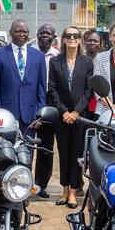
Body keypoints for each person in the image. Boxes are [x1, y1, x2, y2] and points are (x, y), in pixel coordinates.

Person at [0, 20, 48, 196]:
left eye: (24, 31)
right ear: (10, 32)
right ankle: (3, 190)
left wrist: (39, 114)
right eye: (17, 31)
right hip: (6, 117)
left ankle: (22, 192)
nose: (21, 34)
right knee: (4, 154)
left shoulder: (38, 57)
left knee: (26, 156)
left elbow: (41, 88)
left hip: (29, 117)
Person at [48, 25, 92, 208]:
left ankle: (74, 191)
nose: (72, 38)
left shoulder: (87, 61)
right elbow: (52, 89)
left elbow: (89, 89)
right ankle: (64, 190)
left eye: (76, 35)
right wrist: (64, 111)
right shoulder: (55, 62)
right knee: (63, 153)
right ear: (63, 39)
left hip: (79, 116)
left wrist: (75, 112)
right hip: (62, 116)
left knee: (76, 154)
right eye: (68, 35)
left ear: (80, 40)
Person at [32, 23, 59, 197]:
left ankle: (41, 185)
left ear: (53, 36)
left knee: (45, 146)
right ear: (37, 34)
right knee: (24, 145)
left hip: (50, 102)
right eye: (42, 32)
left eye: (48, 33)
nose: (45, 35)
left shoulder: (58, 57)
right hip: (28, 100)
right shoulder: (29, 52)